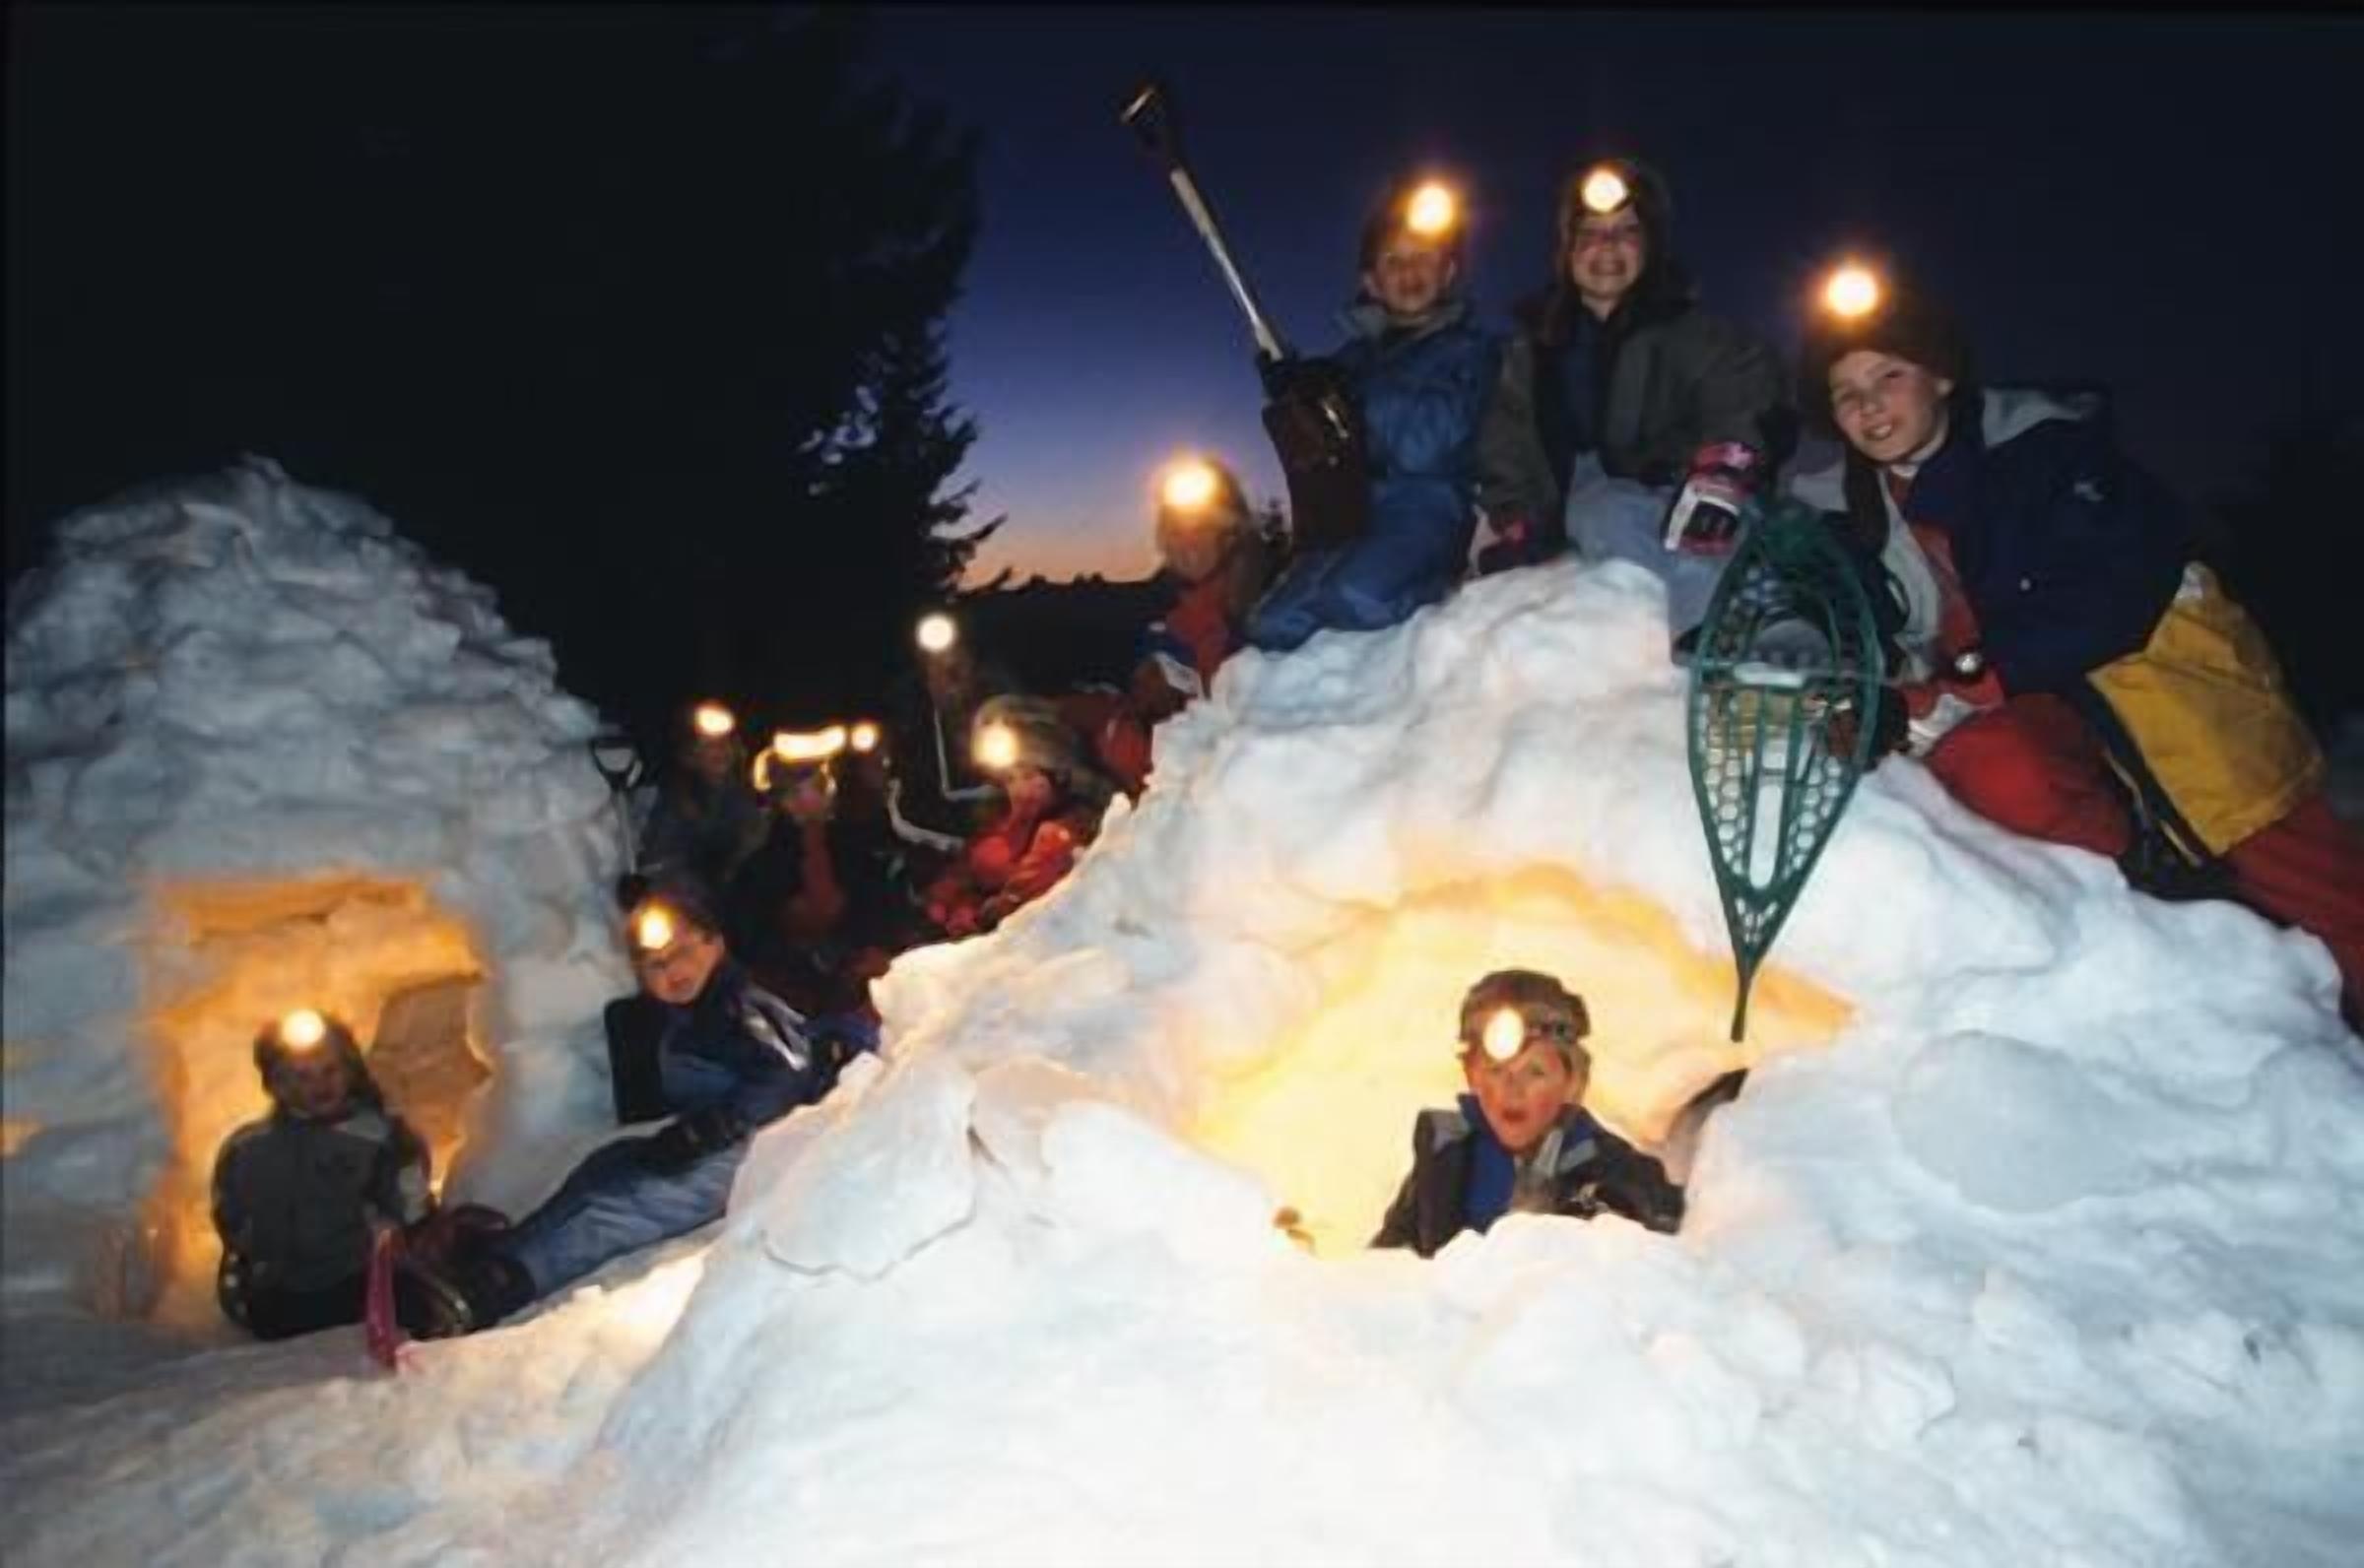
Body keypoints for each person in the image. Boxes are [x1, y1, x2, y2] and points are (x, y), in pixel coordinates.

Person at [1793, 269, 2364, 1031]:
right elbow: (1847, 616)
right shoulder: (1854, 515)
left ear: (1942, 377)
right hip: (2046, 714)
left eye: (1888, 376)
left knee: (2316, 884)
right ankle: (2135, 916)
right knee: (1988, 764)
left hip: (2169, 698)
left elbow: (2108, 595)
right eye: (1846, 392)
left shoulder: (2047, 455)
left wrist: (1962, 683)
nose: (1868, 404)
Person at [435, 890, 858, 1333]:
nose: (674, 971)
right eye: (656, 964)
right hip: (726, 1136)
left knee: (624, 1204)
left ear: (715, 945)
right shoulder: (688, 1016)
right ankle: (507, 1253)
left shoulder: (738, 1002)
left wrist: (721, 1124)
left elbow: (789, 1069)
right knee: (606, 1167)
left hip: (765, 1142)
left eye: (683, 953)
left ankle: (497, 1288)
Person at [1475, 158, 1792, 649]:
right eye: (1589, 232)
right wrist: (1516, 516)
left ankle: (1756, 627)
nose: (1605, 247)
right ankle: (1725, 625)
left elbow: (1741, 393)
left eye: (1625, 230)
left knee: (1699, 527)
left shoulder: (1695, 333)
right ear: (1567, 250)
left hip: (1684, 487)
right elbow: (1506, 440)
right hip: (1586, 507)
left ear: (1651, 246)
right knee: (1601, 511)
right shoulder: (1530, 349)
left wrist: (1722, 471)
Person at [1246, 177, 1500, 652]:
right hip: (1351, 516)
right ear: (1371, 282)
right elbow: (1319, 445)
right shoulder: (1352, 359)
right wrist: (1291, 392)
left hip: (1428, 508)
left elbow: (1426, 446)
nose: (1409, 271)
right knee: (1270, 626)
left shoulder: (1471, 352)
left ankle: (1448, 590)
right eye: (1393, 261)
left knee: (1355, 597)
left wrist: (1350, 395)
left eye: (1423, 257)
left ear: (1448, 272)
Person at [1372, 970, 1683, 1258]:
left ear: (1572, 1082)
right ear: (1471, 1076)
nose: (1512, 1090)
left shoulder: (1606, 1164)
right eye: (1495, 1071)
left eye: (1534, 1073)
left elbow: (1657, 1219)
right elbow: (1385, 1272)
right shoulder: (1446, 1157)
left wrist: (1605, 1211)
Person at [212, 1009, 448, 1339]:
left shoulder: (383, 1139)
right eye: (301, 1076)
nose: (319, 1086)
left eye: (330, 1071)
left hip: (362, 1288)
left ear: (350, 1071)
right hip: (279, 1302)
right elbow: (232, 1224)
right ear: (276, 1083)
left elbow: (414, 1214)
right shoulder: (247, 1150)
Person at [1077, 455, 1277, 795]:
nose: (1187, 542)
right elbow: (1148, 708)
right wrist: (1099, 717)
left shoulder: (1271, 608)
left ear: (1230, 535)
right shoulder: (1169, 623)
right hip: (1175, 810)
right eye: (1175, 532)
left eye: (1200, 529)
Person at [922, 695, 1113, 940]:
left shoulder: (1069, 828)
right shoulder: (1003, 828)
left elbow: (1023, 896)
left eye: (1030, 777)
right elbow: (967, 870)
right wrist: (945, 900)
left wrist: (977, 915)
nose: (1020, 789)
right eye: (1011, 779)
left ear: (1060, 778)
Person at [636, 700, 768, 906]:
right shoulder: (677, 800)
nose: (720, 751)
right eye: (708, 745)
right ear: (691, 754)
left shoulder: (749, 796)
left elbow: (758, 850)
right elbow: (660, 859)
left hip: (743, 905)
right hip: (693, 906)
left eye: (725, 743)